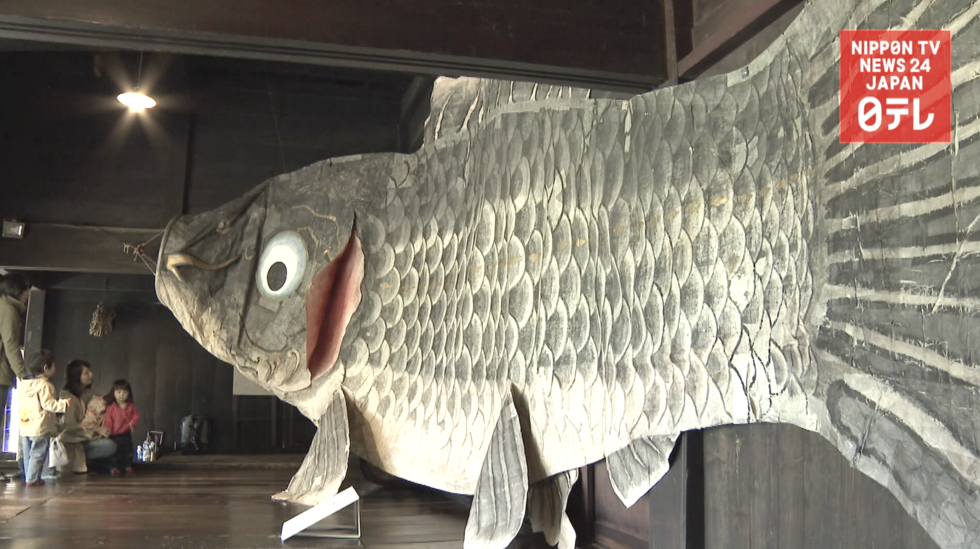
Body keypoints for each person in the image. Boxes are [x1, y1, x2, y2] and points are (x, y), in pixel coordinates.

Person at [17, 350, 71, 486]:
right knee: (38, 453)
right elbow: (48, 404)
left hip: (25, 425)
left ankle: (31, 477)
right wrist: (63, 404)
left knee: (28, 454)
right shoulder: (45, 386)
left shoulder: (24, 385)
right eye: (54, 366)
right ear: (46, 368)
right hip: (40, 426)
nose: (55, 369)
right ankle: (31, 479)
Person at [59, 360, 116, 474]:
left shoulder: (89, 390)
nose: (91, 375)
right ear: (76, 376)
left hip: (87, 435)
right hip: (73, 440)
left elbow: (100, 403)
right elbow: (68, 427)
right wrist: (96, 429)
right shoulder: (67, 397)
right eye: (86, 373)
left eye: (90, 371)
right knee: (109, 446)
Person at [0, 273, 30, 481]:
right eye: (26, 292)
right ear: (18, 292)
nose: (27, 297)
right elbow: (11, 345)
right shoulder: (9, 310)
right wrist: (24, 375)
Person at [103, 379, 139, 475]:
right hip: (114, 435)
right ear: (113, 393)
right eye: (118, 392)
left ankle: (127, 466)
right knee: (115, 452)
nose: (121, 395)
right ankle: (114, 467)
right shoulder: (111, 407)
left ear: (129, 393)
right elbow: (108, 419)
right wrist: (108, 429)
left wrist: (133, 423)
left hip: (126, 434)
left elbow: (136, 416)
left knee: (128, 451)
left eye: (124, 392)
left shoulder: (130, 406)